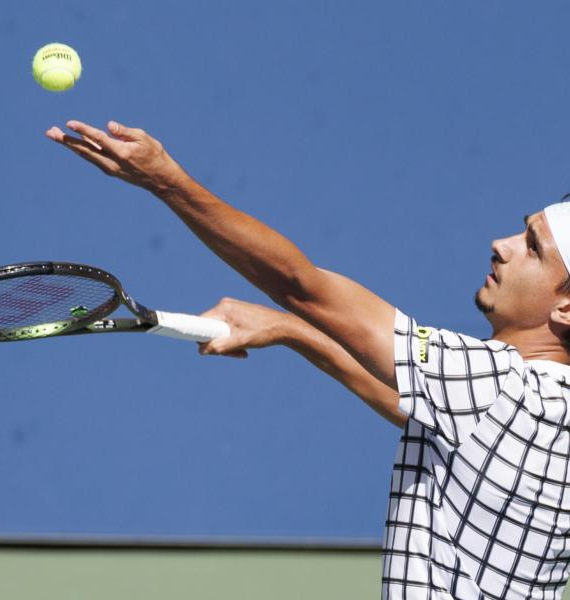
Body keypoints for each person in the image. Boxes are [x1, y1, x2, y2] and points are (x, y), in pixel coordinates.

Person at [46, 120, 570, 599]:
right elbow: (414, 407)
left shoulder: (501, 389)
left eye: (532, 247)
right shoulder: (530, 409)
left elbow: (300, 286)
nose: (501, 245)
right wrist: (292, 331)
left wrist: (166, 181)